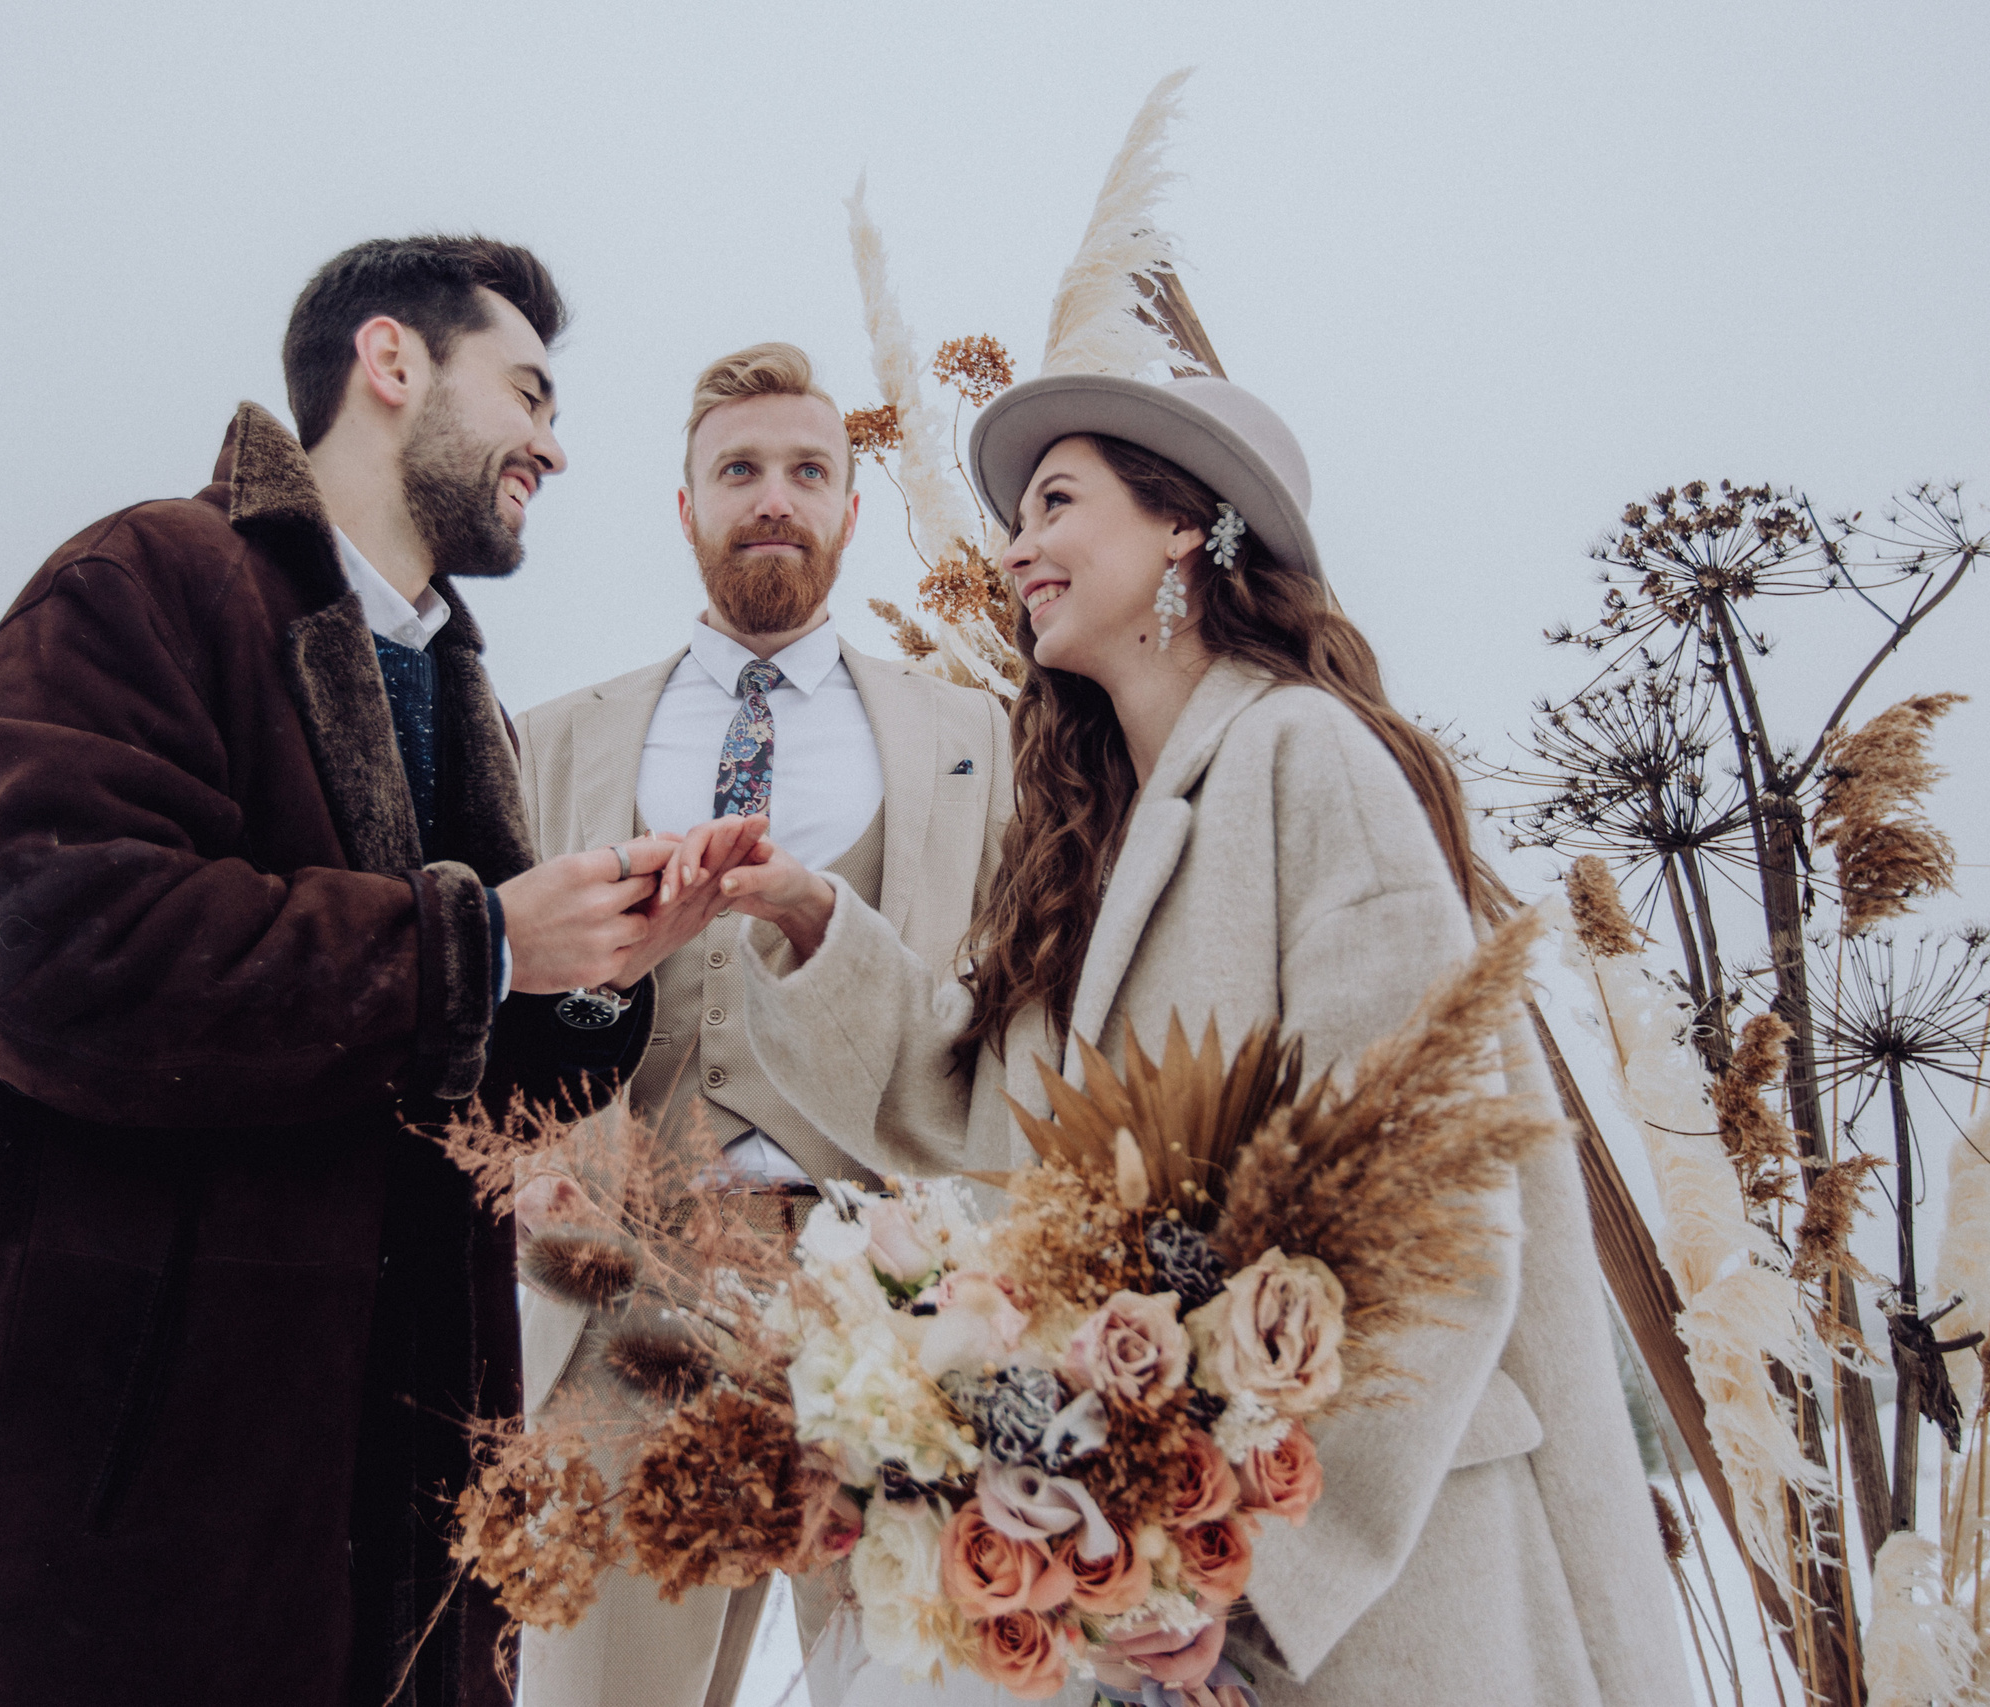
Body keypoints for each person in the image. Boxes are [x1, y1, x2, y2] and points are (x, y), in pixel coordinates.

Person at [0, 237, 762, 1707]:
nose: (556, 446)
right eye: (528, 390)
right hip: (110, 1534)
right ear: (392, 364)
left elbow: (440, 1070)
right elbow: (48, 948)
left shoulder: (456, 684)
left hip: (384, 1530)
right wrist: (485, 937)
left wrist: (594, 967)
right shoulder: (142, 582)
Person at [696, 374, 1690, 1703]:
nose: (1013, 550)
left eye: (1056, 502)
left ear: (1184, 529)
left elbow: (1431, 1212)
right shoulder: (1085, 844)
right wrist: (817, 921)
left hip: (1353, 1579)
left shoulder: (1309, 758)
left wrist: (1242, 1573)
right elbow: (978, 1123)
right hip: (1129, 1582)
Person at [509, 344, 1011, 1707]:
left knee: (929, 1680)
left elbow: (1011, 1027)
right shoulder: (549, 744)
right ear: (684, 507)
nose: (773, 498)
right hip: (622, 1315)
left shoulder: (980, 739)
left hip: (900, 1311)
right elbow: (493, 1026)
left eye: (808, 471)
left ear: (851, 506)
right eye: (739, 471)